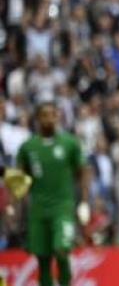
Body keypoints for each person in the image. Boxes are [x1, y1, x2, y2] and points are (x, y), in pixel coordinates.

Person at [15, 101, 91, 286]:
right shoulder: (28, 147)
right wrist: (15, 207)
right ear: (37, 118)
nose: (49, 119)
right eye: (44, 115)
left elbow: (83, 172)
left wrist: (84, 201)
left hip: (62, 208)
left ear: (58, 117)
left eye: (53, 114)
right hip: (38, 210)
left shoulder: (69, 143)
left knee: (62, 250)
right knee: (42, 259)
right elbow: (20, 180)